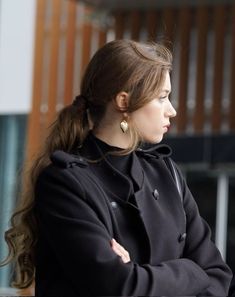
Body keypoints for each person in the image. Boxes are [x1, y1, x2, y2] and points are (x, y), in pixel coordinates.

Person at [0, 39, 232, 296]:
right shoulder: (63, 183)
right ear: (123, 102)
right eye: (162, 98)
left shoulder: (167, 174)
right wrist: (191, 271)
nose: (172, 111)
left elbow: (218, 277)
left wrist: (138, 274)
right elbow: (120, 287)